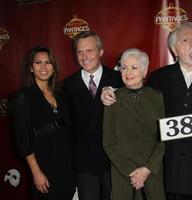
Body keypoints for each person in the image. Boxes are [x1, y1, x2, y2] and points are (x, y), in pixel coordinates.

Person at [101, 22, 192, 200]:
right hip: (172, 174)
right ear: (174, 49)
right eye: (185, 40)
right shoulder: (159, 78)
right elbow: (136, 95)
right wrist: (109, 90)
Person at [63, 31, 122, 200]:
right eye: (80, 52)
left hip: (114, 161)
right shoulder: (68, 85)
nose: (84, 56)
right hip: (84, 163)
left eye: (89, 50)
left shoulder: (118, 79)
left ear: (100, 52)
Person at [103, 48, 165, 200]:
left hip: (152, 174)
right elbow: (109, 143)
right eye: (124, 68)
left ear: (144, 71)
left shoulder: (157, 97)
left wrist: (147, 169)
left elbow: (163, 138)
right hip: (123, 176)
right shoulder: (112, 99)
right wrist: (132, 172)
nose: (128, 72)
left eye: (134, 67)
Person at [14, 46, 75, 200]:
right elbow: (23, 139)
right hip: (43, 163)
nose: (43, 67)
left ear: (54, 67)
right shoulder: (23, 97)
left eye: (48, 62)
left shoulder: (61, 93)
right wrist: (36, 172)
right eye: (38, 62)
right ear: (31, 68)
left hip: (67, 163)